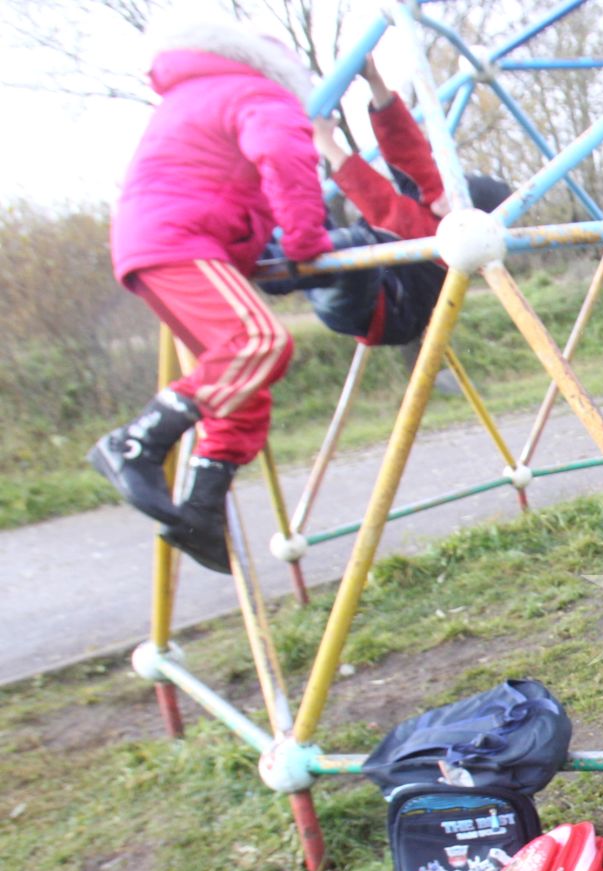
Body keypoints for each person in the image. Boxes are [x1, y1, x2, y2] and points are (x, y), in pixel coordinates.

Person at [93, 20, 333, 575]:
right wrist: (304, 244)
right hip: (179, 240)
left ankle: (201, 507)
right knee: (257, 342)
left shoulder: (196, 92)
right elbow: (283, 156)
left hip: (160, 240)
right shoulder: (258, 92)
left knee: (244, 381)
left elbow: (212, 177)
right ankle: (136, 443)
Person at [260, 59, 511, 348]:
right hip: (367, 283)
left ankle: (270, 269)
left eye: (456, 201)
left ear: (468, 218)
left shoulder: (442, 238)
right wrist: (375, 80)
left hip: (382, 310)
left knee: (347, 243)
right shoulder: (435, 205)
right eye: (452, 190)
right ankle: (256, 239)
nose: (445, 196)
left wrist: (325, 142)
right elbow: (408, 150)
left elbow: (377, 201)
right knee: (308, 212)